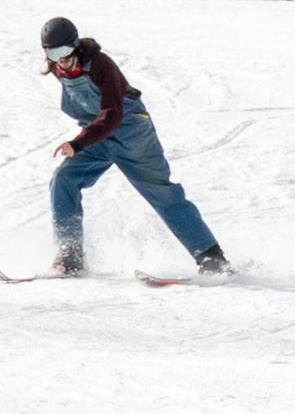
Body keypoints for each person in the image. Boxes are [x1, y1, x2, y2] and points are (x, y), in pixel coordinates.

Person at [39, 15, 227, 278]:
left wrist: (79, 142)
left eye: (65, 51)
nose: (61, 59)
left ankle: (212, 258)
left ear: (76, 45)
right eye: (53, 54)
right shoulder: (59, 70)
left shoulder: (101, 65)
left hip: (132, 134)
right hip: (98, 136)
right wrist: (86, 138)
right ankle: (69, 255)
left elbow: (113, 113)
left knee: (162, 193)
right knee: (63, 179)